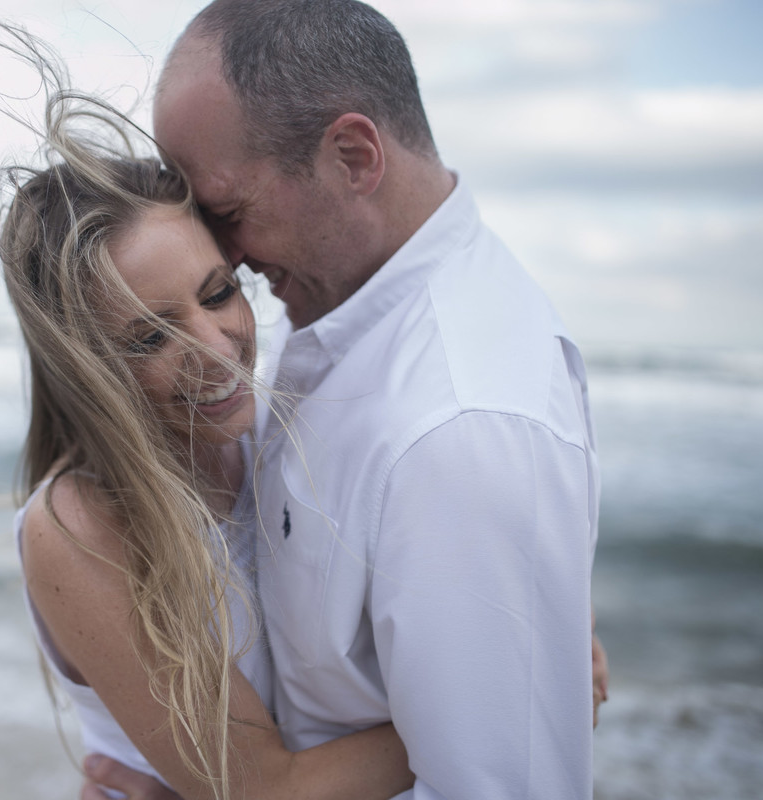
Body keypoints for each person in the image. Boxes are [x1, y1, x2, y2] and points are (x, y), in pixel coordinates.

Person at [82, 1, 605, 798]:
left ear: (354, 157)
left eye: (225, 213)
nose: (224, 258)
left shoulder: (456, 430)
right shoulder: (345, 311)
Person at [0, 86, 418, 798]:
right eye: (150, 335)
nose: (216, 349)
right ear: (85, 366)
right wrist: (514, 695)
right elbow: (264, 790)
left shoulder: (284, 429)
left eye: (219, 293)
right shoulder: (80, 525)